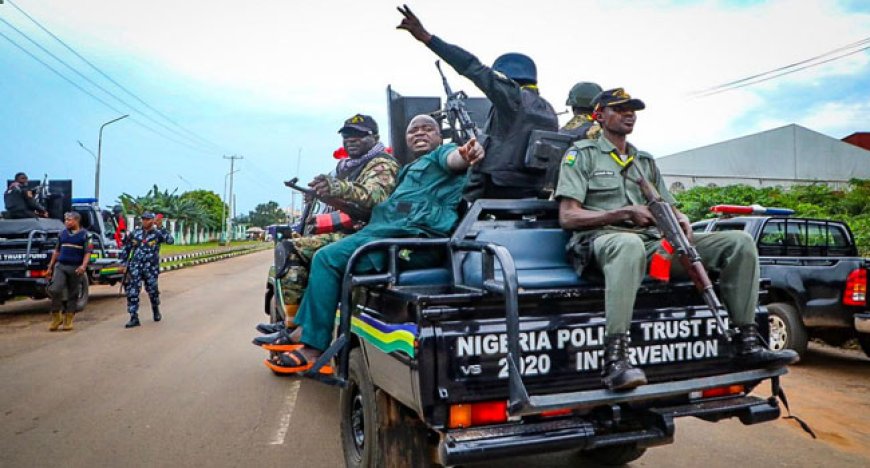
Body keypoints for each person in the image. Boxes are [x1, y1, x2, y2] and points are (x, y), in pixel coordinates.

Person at [555, 88, 797, 391]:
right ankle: (615, 361)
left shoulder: (644, 160)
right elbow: (568, 216)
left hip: (652, 245)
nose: (629, 114)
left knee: (739, 242)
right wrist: (622, 213)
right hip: (602, 242)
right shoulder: (582, 154)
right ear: (599, 115)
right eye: (620, 108)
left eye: (633, 109)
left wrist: (680, 217)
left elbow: (666, 205)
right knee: (629, 246)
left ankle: (747, 343)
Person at [266, 114, 483, 373]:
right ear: (406, 138)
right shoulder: (407, 171)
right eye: (414, 130)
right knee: (320, 255)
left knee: (326, 258)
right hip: (382, 233)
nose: (420, 133)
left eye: (428, 129)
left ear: (439, 137)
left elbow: (455, 158)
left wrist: (467, 153)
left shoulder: (441, 155)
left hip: (409, 239)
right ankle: (305, 329)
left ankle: (314, 348)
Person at [255, 114, 399, 348]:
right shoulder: (348, 168)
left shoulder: (382, 164)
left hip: (370, 235)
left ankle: (299, 328)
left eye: (359, 135)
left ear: (375, 137)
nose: (351, 140)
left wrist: (336, 188)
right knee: (298, 247)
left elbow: (375, 196)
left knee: (296, 249)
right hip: (358, 233)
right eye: (346, 135)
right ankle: (294, 324)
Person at [397, 5, 558, 202]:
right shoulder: (546, 109)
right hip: (530, 191)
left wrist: (427, 38)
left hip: (494, 189)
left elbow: (472, 67)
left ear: (503, 78)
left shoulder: (513, 98)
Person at [119, 212, 174, 328]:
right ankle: (133, 317)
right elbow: (126, 248)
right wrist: (123, 264)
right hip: (135, 267)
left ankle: (155, 308)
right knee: (132, 291)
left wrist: (161, 227)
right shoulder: (135, 233)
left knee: (153, 291)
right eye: (143, 219)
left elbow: (170, 240)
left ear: (153, 220)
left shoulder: (158, 233)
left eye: (148, 219)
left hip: (151, 268)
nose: (145, 221)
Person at [45, 211, 91, 331]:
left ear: (76, 221)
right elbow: (57, 251)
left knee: (73, 293)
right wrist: (50, 267)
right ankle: (56, 317)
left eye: (69, 220)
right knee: (55, 289)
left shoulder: (85, 235)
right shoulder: (62, 234)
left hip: (75, 268)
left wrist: (83, 266)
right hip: (61, 266)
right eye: (65, 220)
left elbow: (87, 253)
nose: (66, 222)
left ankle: (68, 319)